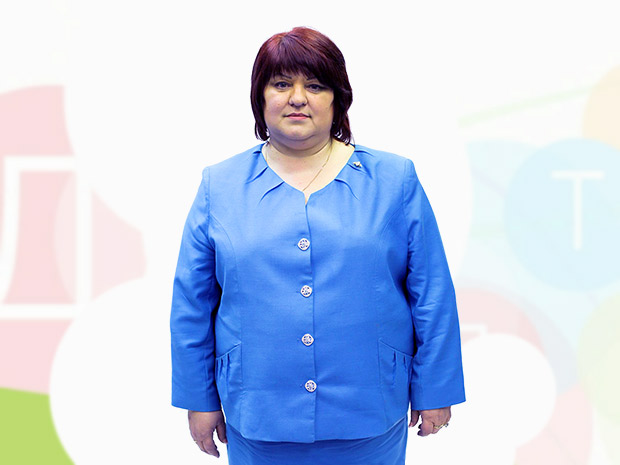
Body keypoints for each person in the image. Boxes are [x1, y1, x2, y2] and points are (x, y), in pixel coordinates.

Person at [170, 26, 466, 465]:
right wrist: (199, 398)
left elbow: (431, 292)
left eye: (314, 85)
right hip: (258, 409)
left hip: (370, 407)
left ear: (337, 99)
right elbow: (192, 303)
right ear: (260, 96)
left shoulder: (394, 180)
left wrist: (435, 388)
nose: (297, 98)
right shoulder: (220, 185)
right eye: (281, 84)